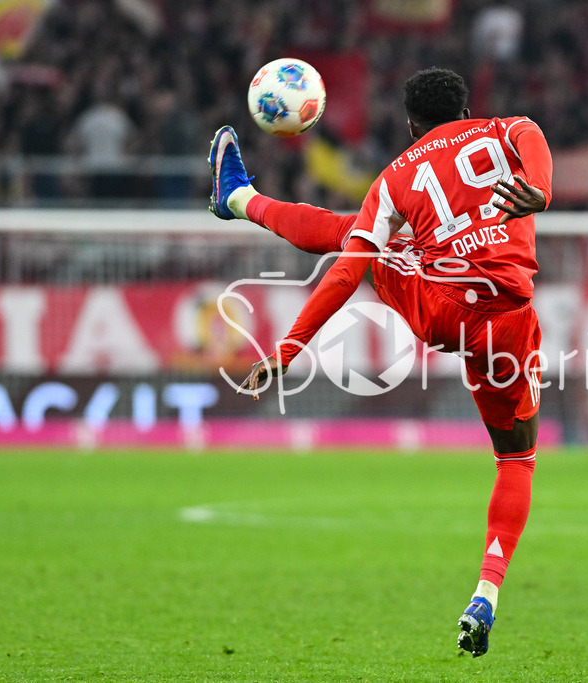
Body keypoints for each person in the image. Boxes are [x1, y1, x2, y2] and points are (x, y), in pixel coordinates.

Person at [208, 67, 551, 657]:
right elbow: (534, 144)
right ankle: (487, 591)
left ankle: (238, 198)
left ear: (411, 123)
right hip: (509, 323)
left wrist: (289, 350)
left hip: (439, 310)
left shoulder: (395, 177)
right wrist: (539, 192)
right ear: (466, 109)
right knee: (516, 458)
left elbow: (346, 273)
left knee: (359, 239)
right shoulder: (511, 129)